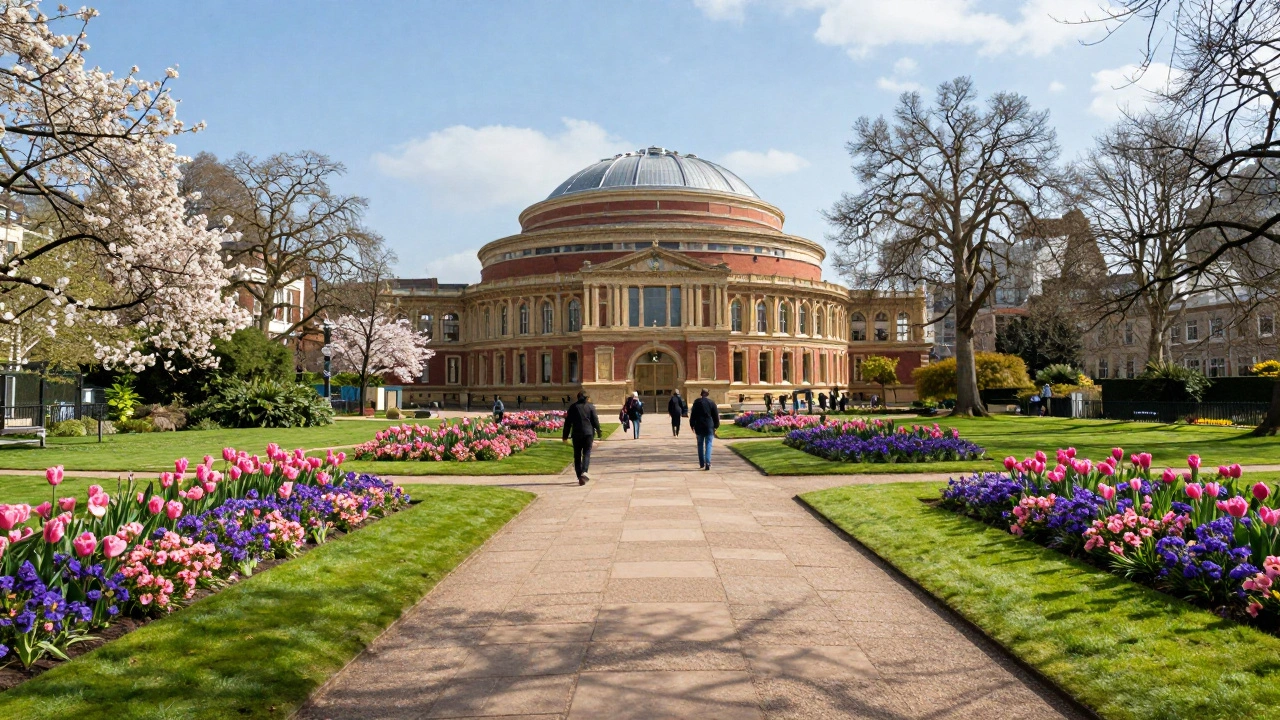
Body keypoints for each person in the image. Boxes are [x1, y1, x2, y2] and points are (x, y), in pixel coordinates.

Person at [562, 391, 602, 485]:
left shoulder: (573, 407)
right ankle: (584, 472)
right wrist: (599, 431)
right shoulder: (590, 407)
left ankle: (579, 475)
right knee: (586, 453)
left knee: (577, 455)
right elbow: (595, 420)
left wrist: (565, 436)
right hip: (588, 433)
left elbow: (567, 423)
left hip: (576, 434)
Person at [689, 388, 720, 470]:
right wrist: (716, 426)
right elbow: (716, 416)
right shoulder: (712, 403)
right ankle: (708, 462)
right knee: (709, 444)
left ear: (701, 394)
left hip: (699, 425)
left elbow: (693, 415)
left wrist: (692, 425)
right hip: (709, 425)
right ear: (707, 394)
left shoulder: (696, 403)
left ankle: (702, 463)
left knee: (700, 444)